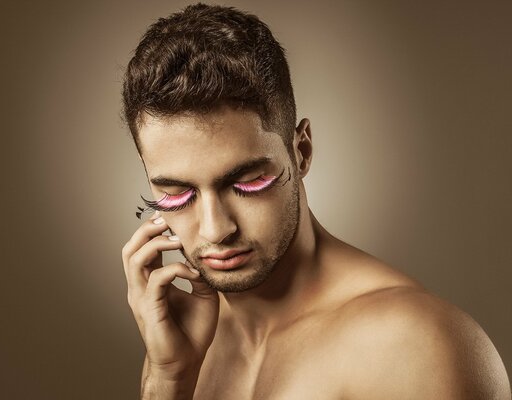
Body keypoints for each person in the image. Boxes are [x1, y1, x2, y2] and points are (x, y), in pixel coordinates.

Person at [121, 4, 510, 399]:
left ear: (301, 151)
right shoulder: (185, 343)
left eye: (249, 181)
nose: (215, 229)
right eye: (177, 193)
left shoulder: (416, 347)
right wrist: (169, 378)